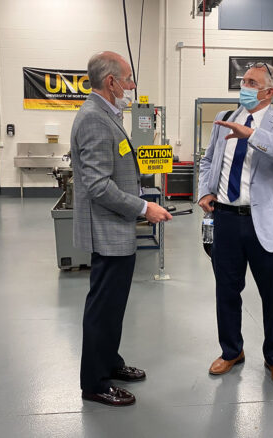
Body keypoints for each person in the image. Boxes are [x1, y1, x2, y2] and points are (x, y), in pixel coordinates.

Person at [71, 51, 172, 406]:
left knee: (114, 306)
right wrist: (144, 207)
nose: (132, 87)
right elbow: (98, 185)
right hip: (107, 230)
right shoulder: (94, 119)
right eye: (128, 80)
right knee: (103, 308)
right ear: (111, 82)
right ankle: (95, 383)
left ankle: (109, 363)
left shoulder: (108, 115)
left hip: (118, 227)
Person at [198, 63, 273, 388]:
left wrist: (254, 135)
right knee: (226, 291)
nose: (243, 86)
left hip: (266, 223)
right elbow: (208, 159)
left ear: (269, 91)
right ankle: (231, 350)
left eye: (251, 82)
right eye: (243, 80)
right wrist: (205, 190)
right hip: (227, 219)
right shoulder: (226, 118)